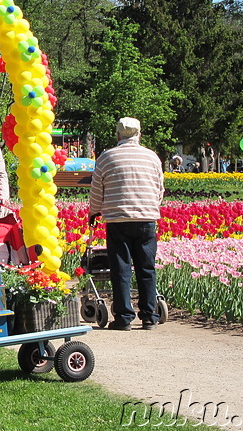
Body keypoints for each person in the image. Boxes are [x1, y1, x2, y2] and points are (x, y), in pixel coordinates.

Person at [89, 117, 164, 331]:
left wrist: (94, 212)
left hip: (118, 219)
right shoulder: (152, 157)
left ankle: (123, 317)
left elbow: (97, 191)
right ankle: (149, 315)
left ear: (118, 135)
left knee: (121, 268)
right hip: (146, 218)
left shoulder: (106, 157)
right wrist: (149, 206)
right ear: (139, 135)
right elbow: (159, 188)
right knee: (146, 268)